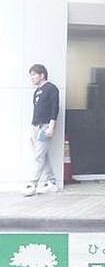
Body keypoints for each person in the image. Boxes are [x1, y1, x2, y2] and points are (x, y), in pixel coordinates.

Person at [21, 64, 59, 196]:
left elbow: (55, 109)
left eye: (34, 75)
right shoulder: (36, 91)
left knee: (39, 156)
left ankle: (32, 184)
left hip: (45, 127)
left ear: (42, 75)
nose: (31, 78)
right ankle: (52, 182)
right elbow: (36, 111)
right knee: (43, 155)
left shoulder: (51, 89)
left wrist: (51, 127)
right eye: (30, 75)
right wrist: (32, 130)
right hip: (36, 127)